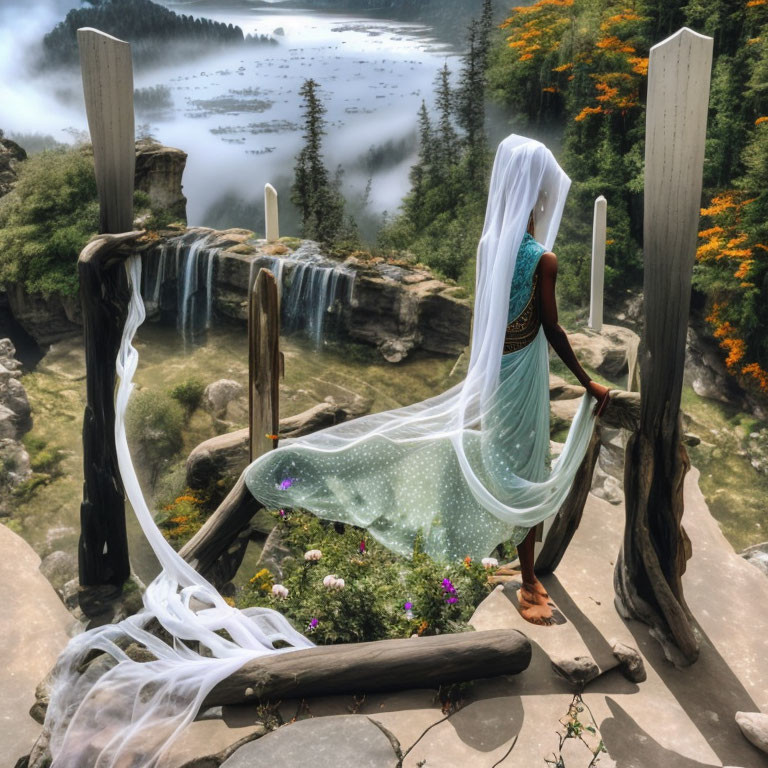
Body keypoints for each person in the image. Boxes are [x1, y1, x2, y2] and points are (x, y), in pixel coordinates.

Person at [243, 134, 610, 626]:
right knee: (526, 470)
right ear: (535, 193)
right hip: (524, 373)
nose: (546, 198)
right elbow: (551, 328)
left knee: (504, 461)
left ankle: (518, 566)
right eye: (543, 189)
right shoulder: (542, 259)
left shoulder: (491, 248)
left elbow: (492, 319)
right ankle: (528, 581)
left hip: (497, 372)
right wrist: (589, 383)